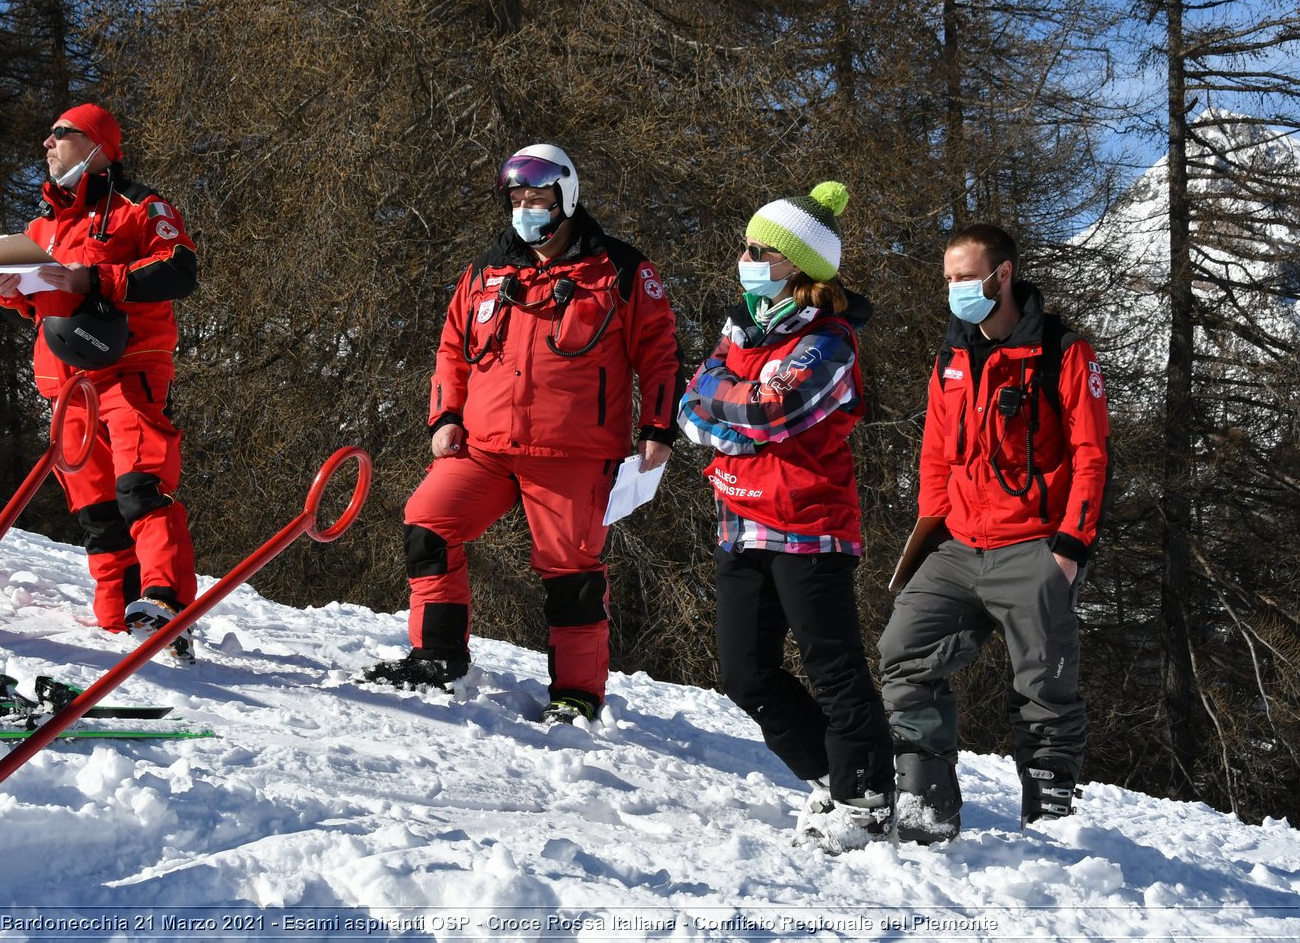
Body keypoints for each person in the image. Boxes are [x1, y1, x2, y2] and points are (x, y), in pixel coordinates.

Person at [361, 143, 684, 724]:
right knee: (427, 521)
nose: (526, 209)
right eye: (517, 199)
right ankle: (437, 657)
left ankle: (577, 695)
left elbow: (660, 353)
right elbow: (450, 348)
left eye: (538, 198)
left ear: (567, 199)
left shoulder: (621, 270)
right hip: (484, 446)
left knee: (571, 572)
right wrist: (446, 416)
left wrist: (658, 427)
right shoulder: (487, 271)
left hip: (574, 453)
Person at [678, 182, 894, 853]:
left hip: (809, 526)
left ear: (796, 264)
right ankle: (832, 776)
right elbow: (691, 405)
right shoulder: (739, 331)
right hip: (739, 522)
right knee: (746, 673)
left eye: (758, 249)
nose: (743, 257)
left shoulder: (828, 342)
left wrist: (728, 412)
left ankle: (868, 798)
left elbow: (773, 409)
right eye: (746, 246)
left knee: (834, 667)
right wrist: (728, 415)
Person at [878, 222, 1110, 841]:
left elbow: (1091, 453)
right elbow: (935, 455)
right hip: (956, 547)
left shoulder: (1061, 349)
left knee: (1044, 690)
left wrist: (1068, 549)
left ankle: (1053, 831)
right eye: (948, 279)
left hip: (1033, 548)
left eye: (964, 277)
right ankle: (926, 809)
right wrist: (930, 531)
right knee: (901, 657)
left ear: (1001, 276)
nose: (954, 290)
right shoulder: (951, 354)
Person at [0, 102, 200, 664]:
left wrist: (94, 276)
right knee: (98, 511)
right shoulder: (41, 227)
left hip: (128, 372)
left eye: (60, 133)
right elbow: (45, 308)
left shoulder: (140, 208)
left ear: (99, 144)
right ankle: (118, 618)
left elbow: (181, 270)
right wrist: (12, 292)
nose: (47, 143)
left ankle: (165, 604)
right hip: (65, 388)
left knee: (142, 490)